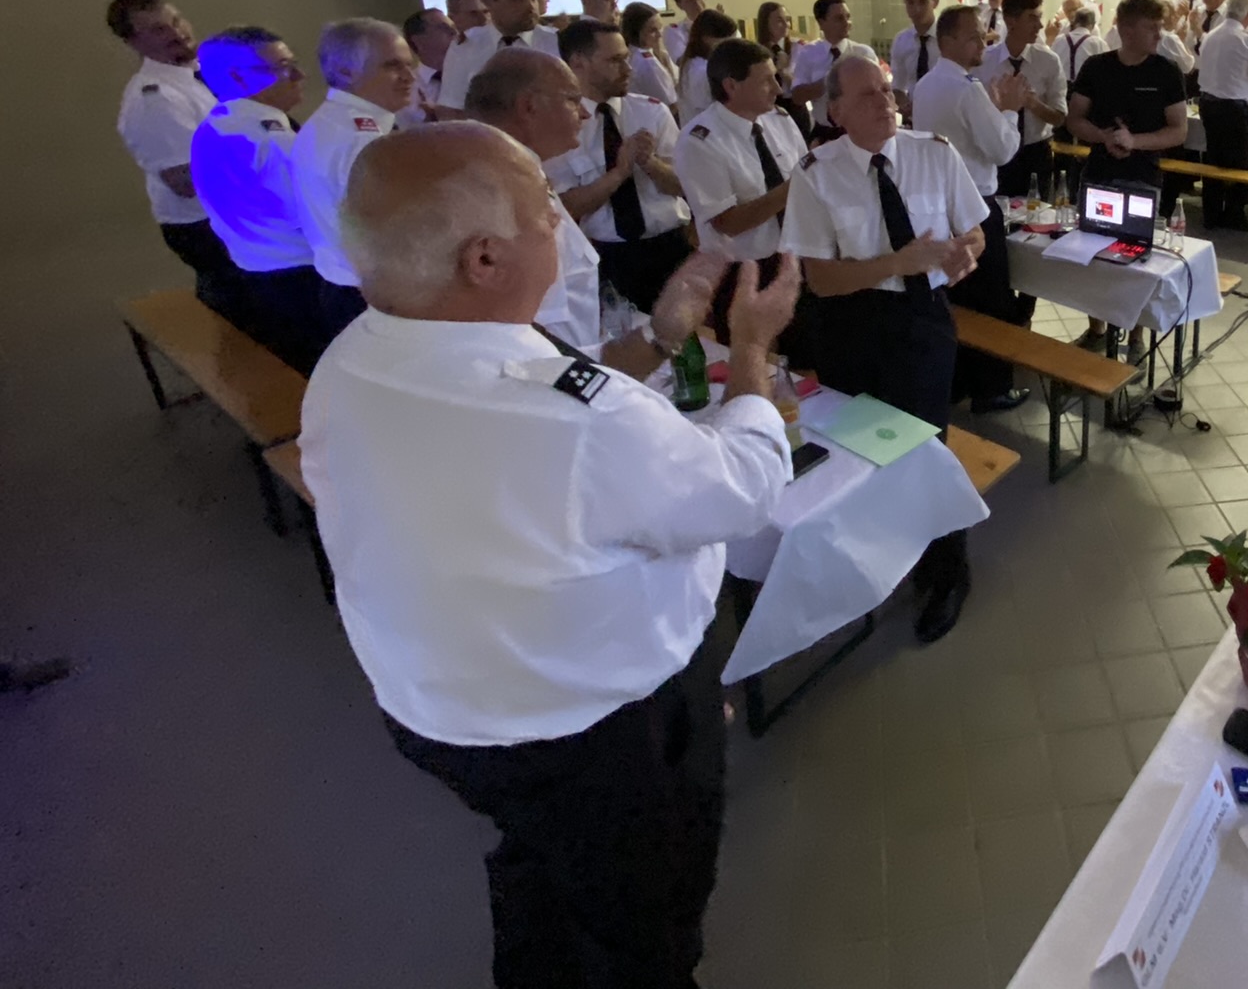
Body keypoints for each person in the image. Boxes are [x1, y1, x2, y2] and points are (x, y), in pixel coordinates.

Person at [304, 122, 797, 989]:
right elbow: (744, 488)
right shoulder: (579, 424)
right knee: (645, 905)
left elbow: (538, 414)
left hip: (444, 709)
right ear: (484, 259)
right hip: (592, 726)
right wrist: (751, 348)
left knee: (541, 854)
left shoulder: (352, 362)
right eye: (544, 213)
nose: (561, 226)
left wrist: (660, 335)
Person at [782, 56, 988, 643]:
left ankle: (947, 573)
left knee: (926, 449)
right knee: (861, 451)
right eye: (868, 95)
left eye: (888, 91)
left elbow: (975, 229)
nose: (886, 102)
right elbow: (822, 280)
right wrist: (898, 262)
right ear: (836, 111)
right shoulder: (815, 174)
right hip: (849, 323)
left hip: (921, 320)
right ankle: (875, 560)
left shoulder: (934, 153)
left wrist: (966, 251)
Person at [913, 5, 1033, 413]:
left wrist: (994, 109)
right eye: (972, 37)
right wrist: (1010, 108)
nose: (982, 42)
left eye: (983, 35)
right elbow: (1002, 150)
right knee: (991, 299)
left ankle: (959, 380)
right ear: (947, 41)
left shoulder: (927, 84)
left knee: (959, 297)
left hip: (939, 204)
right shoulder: (967, 88)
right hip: (973, 206)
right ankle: (992, 388)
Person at [188, 27, 325, 373]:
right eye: (283, 67)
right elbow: (313, 213)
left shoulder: (212, 127)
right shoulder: (269, 138)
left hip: (254, 273)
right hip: (303, 283)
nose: (300, 75)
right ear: (237, 77)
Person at [462, 49, 606, 361]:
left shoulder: (508, 170)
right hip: (550, 371)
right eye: (572, 100)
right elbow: (530, 321)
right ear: (529, 106)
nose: (584, 113)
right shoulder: (504, 187)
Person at [675, 38, 813, 359]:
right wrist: (792, 188)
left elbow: (808, 179)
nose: (777, 88)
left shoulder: (779, 121)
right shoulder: (700, 140)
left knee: (804, 360)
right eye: (765, 80)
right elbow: (728, 222)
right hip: (742, 271)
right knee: (753, 361)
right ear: (731, 86)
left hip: (794, 256)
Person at [548, 19, 692, 317]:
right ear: (578, 63)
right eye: (614, 60)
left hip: (670, 244)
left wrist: (649, 163)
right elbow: (565, 207)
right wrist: (619, 173)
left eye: (626, 58)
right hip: (609, 254)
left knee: (684, 329)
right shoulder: (559, 126)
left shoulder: (650, 111)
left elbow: (684, 185)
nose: (628, 69)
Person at [290, 19, 416, 347]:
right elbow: (391, 228)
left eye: (409, 64)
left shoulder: (329, 120)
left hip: (344, 284)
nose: (409, 76)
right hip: (372, 296)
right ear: (345, 71)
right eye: (392, 66)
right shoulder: (363, 138)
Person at [108, 0, 233, 307]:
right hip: (207, 227)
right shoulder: (156, 99)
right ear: (133, 42)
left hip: (229, 216)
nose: (177, 33)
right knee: (251, 317)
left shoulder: (196, 75)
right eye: (158, 30)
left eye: (176, 21)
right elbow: (185, 181)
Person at [1068, 0, 1188, 191]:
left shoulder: (1167, 72)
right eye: (1151, 28)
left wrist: (1134, 141)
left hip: (1144, 176)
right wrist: (1103, 136)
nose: (1159, 36)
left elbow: (1179, 131)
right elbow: (1074, 120)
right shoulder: (1096, 67)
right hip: (1098, 173)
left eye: (1160, 28)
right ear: (1127, 31)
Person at [437, 0, 560, 118]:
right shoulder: (466, 46)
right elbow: (451, 109)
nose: (531, 7)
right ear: (487, 0)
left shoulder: (557, 42)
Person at [979, 0, 1066, 202]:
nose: (1040, 25)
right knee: (998, 212)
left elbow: (1059, 117)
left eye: (1040, 17)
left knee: (1038, 216)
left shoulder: (1048, 60)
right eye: (1032, 18)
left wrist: (1032, 103)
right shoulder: (984, 61)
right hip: (996, 150)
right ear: (1011, 20)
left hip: (1035, 153)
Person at [1195, 0, 1248, 232]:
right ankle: (1234, 214)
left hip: (1208, 104)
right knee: (1239, 162)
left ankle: (1211, 214)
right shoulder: (1247, 39)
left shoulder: (1210, 36)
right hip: (1233, 108)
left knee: (1213, 159)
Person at [788, 0, 877, 143]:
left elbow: (877, 92)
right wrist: (829, 82)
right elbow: (797, 97)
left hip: (859, 132)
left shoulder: (863, 53)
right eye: (839, 18)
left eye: (848, 17)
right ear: (821, 23)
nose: (846, 23)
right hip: (824, 134)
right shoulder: (808, 53)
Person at [890, 0, 942, 122]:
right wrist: (905, 105)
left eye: (923, 2)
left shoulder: (948, 39)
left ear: (935, 2)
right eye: (910, 2)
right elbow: (898, 85)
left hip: (944, 116)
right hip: (914, 118)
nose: (916, 9)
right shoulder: (901, 41)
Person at [755, 1, 810, 142]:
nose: (786, 25)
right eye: (779, 20)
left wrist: (783, 71)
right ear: (766, 23)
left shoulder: (799, 48)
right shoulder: (756, 51)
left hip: (795, 107)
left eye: (787, 19)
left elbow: (802, 88)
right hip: (768, 110)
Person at [675, 10, 737, 128]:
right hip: (707, 131)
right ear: (707, 38)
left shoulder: (693, 63)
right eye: (727, 40)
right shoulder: (702, 70)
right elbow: (712, 110)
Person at [620, 0, 680, 114]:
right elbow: (670, 102)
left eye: (660, 28)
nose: (659, 34)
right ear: (636, 33)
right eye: (653, 30)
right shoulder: (646, 62)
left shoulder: (652, 54)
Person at [400, 8, 456, 127]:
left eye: (453, 27)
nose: (454, 32)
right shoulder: (405, 89)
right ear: (419, 41)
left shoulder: (474, 75)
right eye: (443, 28)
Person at [661, 0, 705, 64]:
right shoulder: (674, 31)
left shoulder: (719, 24)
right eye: (690, 2)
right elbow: (682, 62)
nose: (698, 5)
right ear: (679, 5)